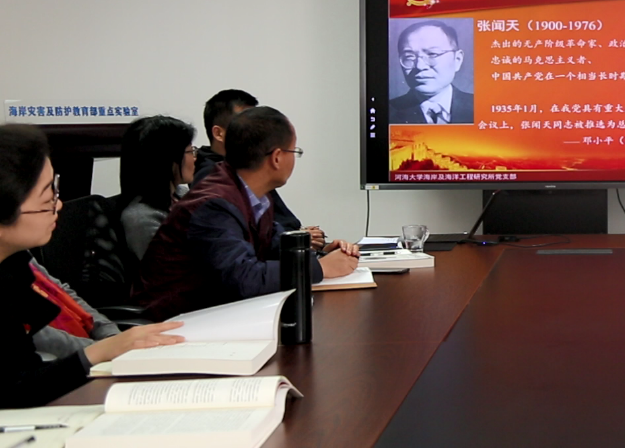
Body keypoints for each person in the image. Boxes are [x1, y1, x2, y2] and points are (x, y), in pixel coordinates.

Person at [0, 125, 183, 408]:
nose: (59, 206)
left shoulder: (15, 263)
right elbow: (16, 390)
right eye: (48, 199)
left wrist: (109, 345)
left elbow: (24, 372)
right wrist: (100, 352)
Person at [134, 107, 360, 320]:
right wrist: (321, 268)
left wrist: (319, 255)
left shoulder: (253, 194)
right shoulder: (213, 204)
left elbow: (273, 246)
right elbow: (243, 278)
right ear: (277, 157)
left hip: (215, 314)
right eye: (294, 152)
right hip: (171, 324)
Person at [195, 89, 323, 250]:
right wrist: (305, 248)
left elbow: (269, 238)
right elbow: (242, 259)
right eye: (243, 124)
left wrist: (302, 242)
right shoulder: (214, 186)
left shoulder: (250, 179)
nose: (256, 133)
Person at [118, 115, 198, 261]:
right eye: (190, 151)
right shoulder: (141, 218)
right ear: (167, 159)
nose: (195, 158)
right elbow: (167, 268)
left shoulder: (183, 194)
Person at [389, 20, 474, 125]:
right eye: (409, 57)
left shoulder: (482, 107)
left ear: (457, 60)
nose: (419, 66)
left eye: (432, 54)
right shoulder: (387, 113)